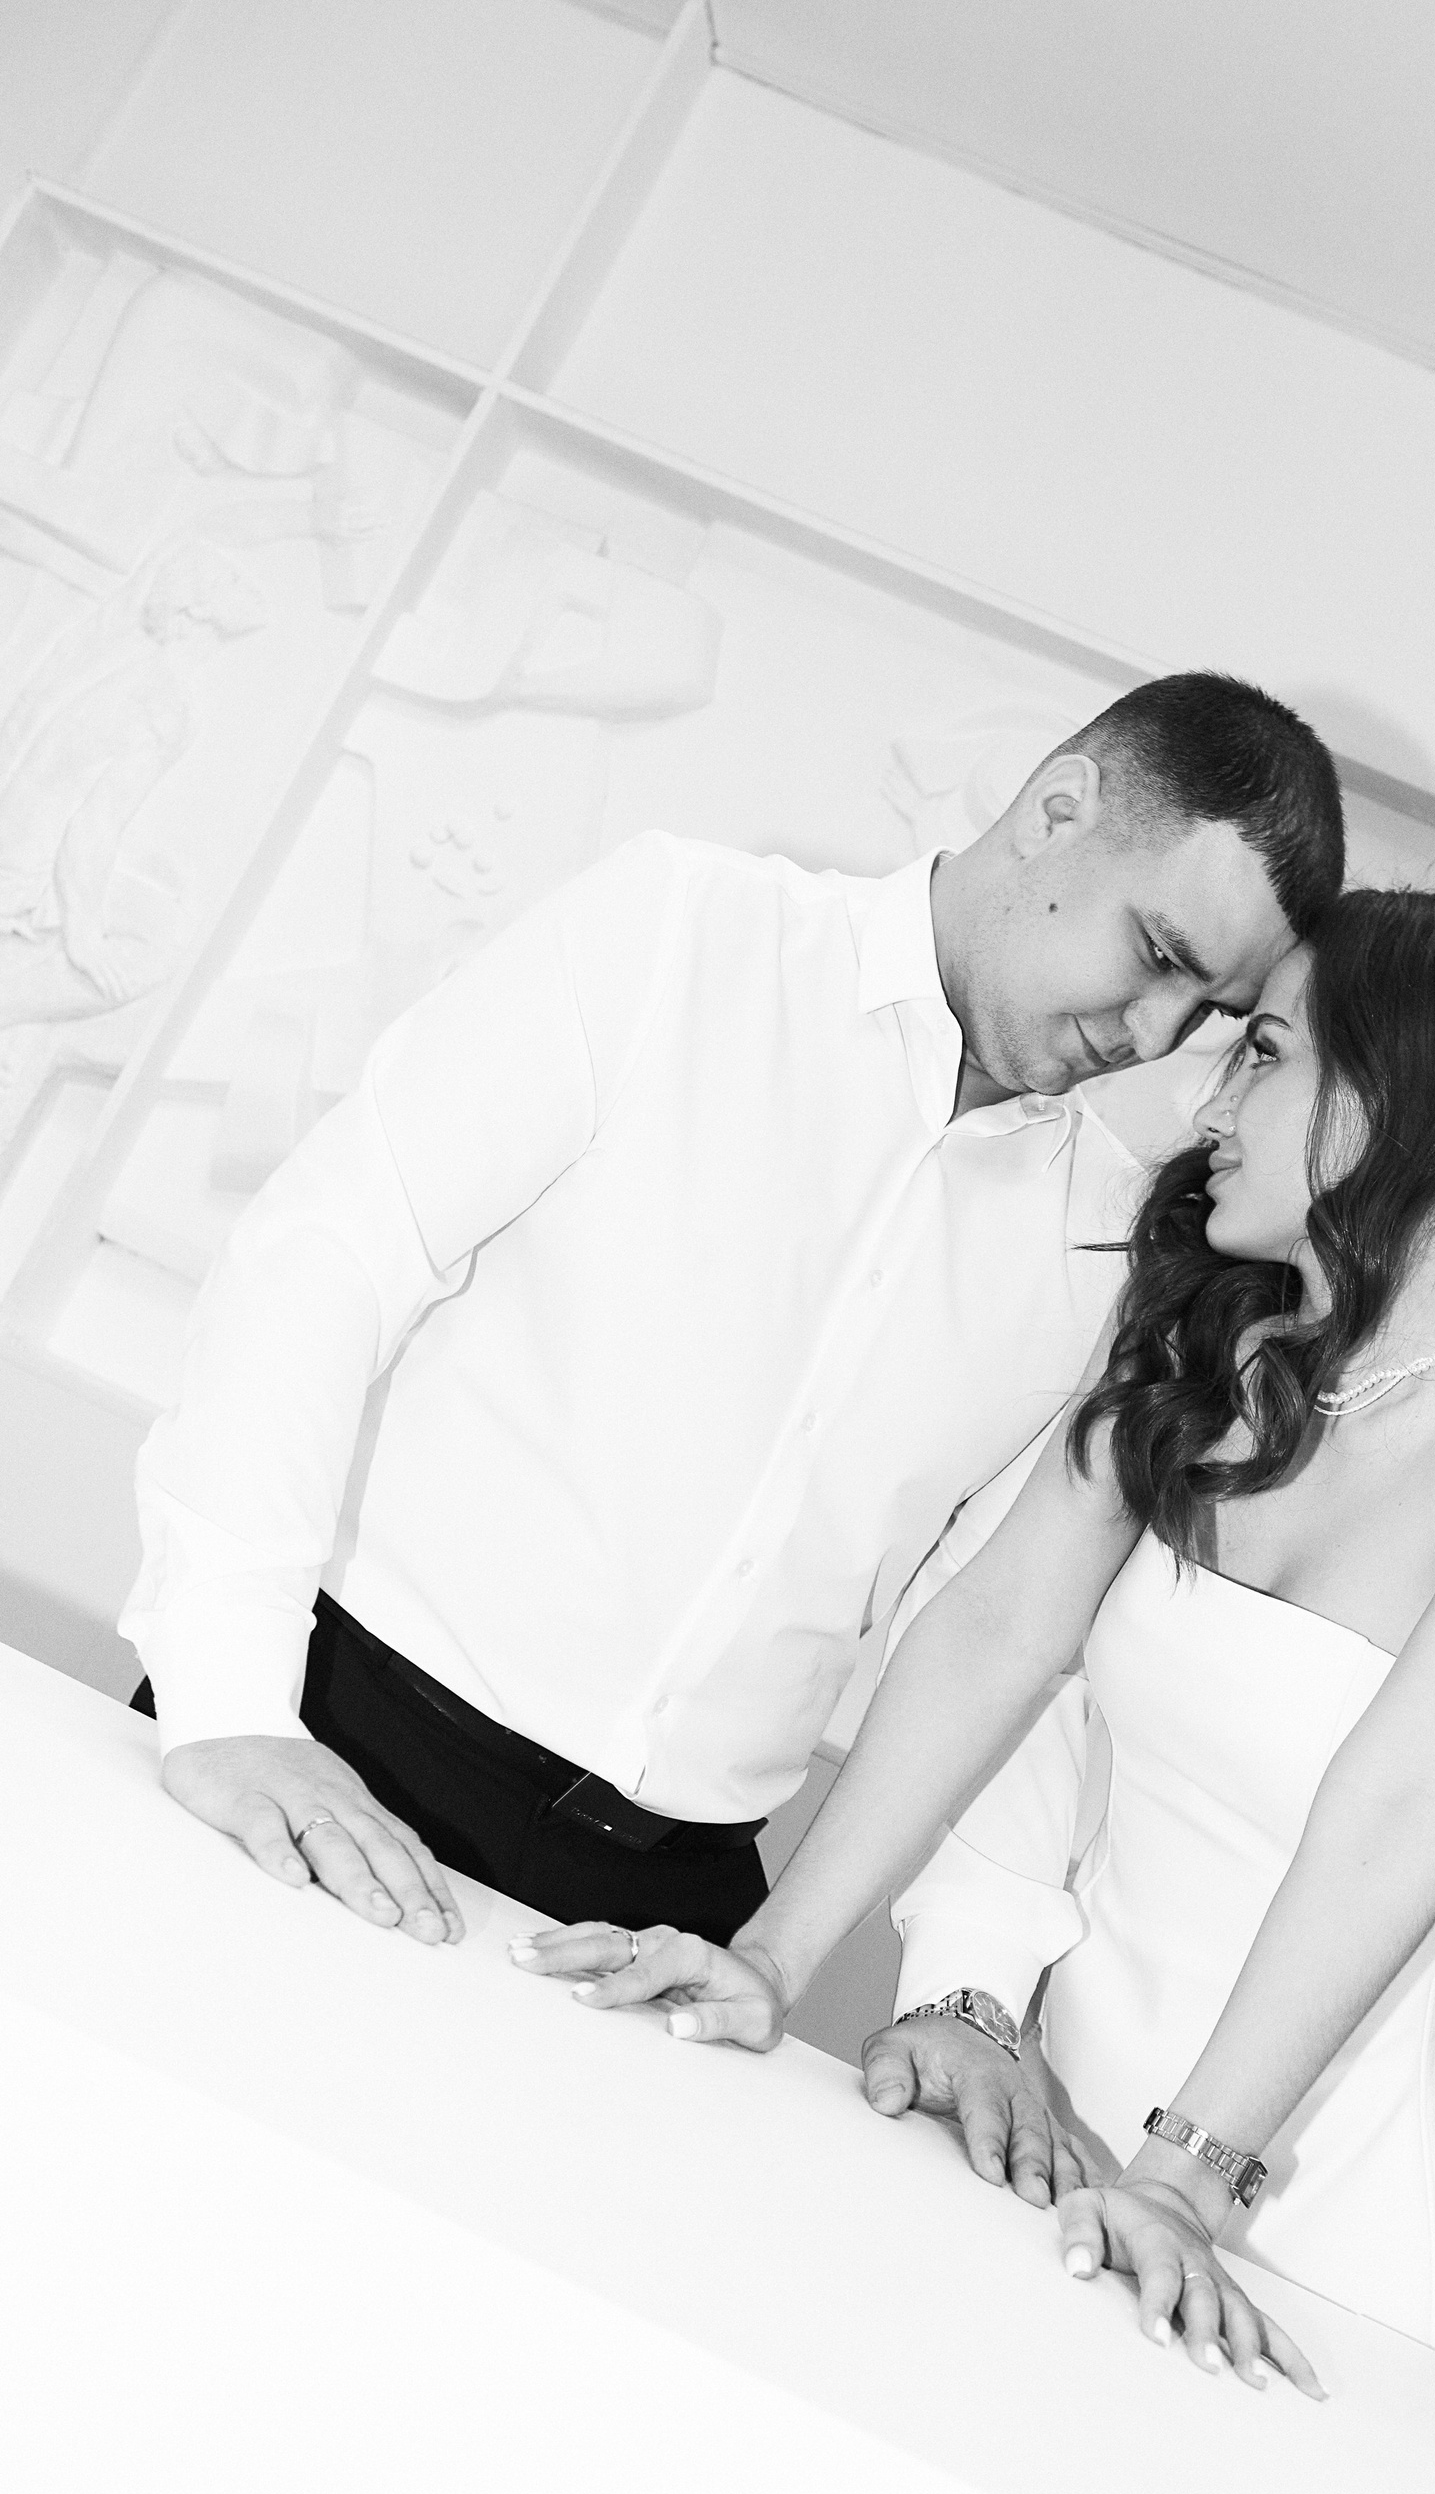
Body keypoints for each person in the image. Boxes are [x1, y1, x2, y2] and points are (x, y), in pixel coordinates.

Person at [513, 890, 1435, 2393]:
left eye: (1263, 1054)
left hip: (1274, 2193)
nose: (1211, 1104)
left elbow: (1410, 1792)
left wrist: (1186, 2181)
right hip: (1046, 2118)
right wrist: (768, 1956)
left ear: (1397, 1089)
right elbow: (996, 1628)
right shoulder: (1216, 1338)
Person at [126, 674, 1343, 1954]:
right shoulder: (679, 932)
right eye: (1158, 955)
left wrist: (933, 1975)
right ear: (1057, 811)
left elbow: (991, 1625)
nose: (1156, 1031)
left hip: (672, 1915)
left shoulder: (1101, 1237)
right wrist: (228, 1701)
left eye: (1209, 1012)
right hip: (337, 1745)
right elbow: (328, 1254)